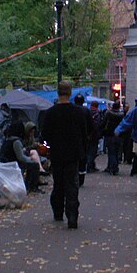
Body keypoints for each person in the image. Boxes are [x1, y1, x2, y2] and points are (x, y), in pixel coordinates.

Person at [41, 81, 87, 229]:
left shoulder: (50, 113)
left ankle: (58, 212)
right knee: (72, 185)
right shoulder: (79, 112)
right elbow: (86, 132)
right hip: (73, 153)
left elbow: (44, 135)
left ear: (58, 92)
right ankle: (72, 216)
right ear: (70, 92)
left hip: (57, 153)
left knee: (58, 184)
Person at [0, 121, 41, 194]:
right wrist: (30, 159)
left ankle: (28, 185)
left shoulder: (7, 140)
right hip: (13, 163)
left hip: (6, 163)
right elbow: (21, 157)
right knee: (35, 165)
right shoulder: (16, 142)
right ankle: (32, 187)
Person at [73, 94, 93, 186]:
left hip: (73, 138)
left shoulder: (72, 110)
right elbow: (91, 124)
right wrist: (89, 134)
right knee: (83, 157)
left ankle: (74, 176)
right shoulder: (86, 111)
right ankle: (81, 177)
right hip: (84, 138)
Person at [101, 101, 124, 175]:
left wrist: (101, 130)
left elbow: (104, 123)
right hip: (119, 135)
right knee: (117, 152)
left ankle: (112, 168)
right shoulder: (122, 115)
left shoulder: (108, 113)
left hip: (109, 134)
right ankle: (115, 167)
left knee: (111, 152)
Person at [87, 100, 102, 172]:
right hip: (94, 136)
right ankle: (89, 166)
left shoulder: (87, 112)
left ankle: (91, 165)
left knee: (88, 151)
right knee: (93, 152)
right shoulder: (97, 114)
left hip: (87, 135)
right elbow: (97, 125)